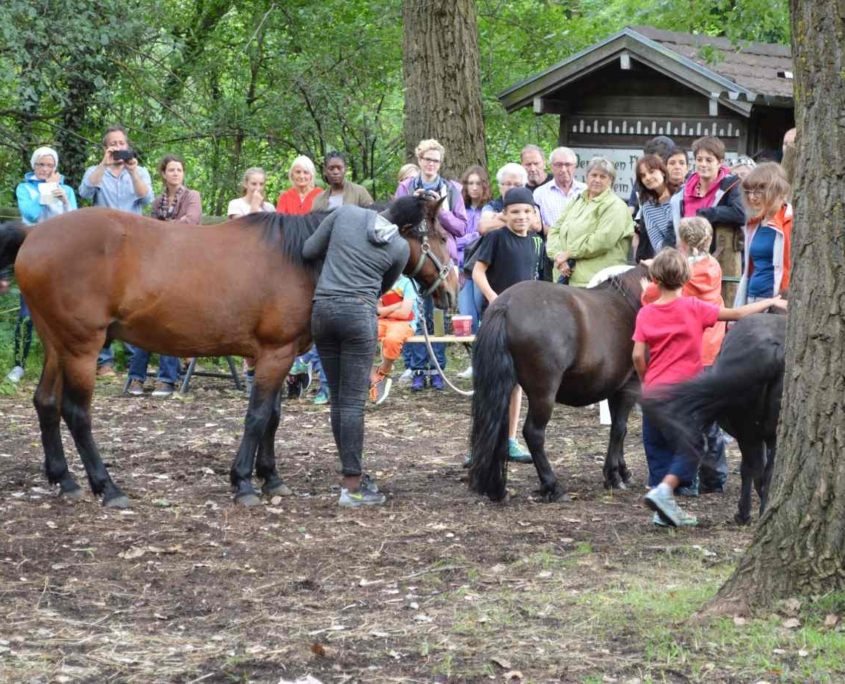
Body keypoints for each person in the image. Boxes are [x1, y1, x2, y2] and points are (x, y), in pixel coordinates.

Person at [634, 248, 786, 527]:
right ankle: (666, 490)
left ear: (654, 278)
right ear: (686, 278)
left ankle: (662, 509)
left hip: (652, 392)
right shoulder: (694, 308)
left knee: (656, 449)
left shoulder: (645, 313)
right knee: (692, 448)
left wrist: (645, 380)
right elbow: (737, 313)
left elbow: (636, 356)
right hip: (685, 394)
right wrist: (771, 301)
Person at [302, 196, 427, 507]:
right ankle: (353, 487)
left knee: (338, 398)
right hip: (358, 317)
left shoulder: (345, 214)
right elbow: (381, 288)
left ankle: (350, 476)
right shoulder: (399, 247)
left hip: (322, 311)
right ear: (407, 226)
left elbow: (308, 251)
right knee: (353, 402)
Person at [641, 217, 729, 495]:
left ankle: (677, 479)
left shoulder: (686, 276)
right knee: (707, 418)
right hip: (711, 348)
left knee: (680, 421)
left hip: (689, 354)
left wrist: (650, 279)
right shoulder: (712, 266)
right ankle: (713, 477)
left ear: (682, 242)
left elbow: (656, 294)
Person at [472, 187, 544, 463]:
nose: (522, 217)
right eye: (515, 212)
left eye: (527, 211)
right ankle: (480, 443)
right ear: (504, 214)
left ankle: (510, 441)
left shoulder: (536, 242)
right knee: (490, 382)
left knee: (516, 383)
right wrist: (494, 298)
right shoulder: (495, 238)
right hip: (496, 318)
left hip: (523, 323)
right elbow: (478, 271)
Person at [79, 125, 154, 377]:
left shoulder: (140, 171)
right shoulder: (96, 171)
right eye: (113, 143)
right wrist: (104, 163)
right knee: (102, 300)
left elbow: (147, 199)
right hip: (104, 244)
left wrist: (133, 172)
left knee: (133, 299)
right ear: (106, 147)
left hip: (134, 243)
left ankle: (136, 359)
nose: (119, 148)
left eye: (122, 143)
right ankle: (104, 361)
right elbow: (85, 192)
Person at [126, 155, 202, 397]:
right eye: (171, 170)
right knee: (144, 317)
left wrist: (163, 229)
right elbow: (149, 230)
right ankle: (136, 377)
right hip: (159, 263)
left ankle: (166, 379)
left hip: (186, 263)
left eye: (179, 169)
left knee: (170, 317)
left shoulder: (192, 196)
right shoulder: (158, 201)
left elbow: (191, 221)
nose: (176, 173)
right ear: (163, 173)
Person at [395, 139, 467, 391]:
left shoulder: (452, 188)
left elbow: (462, 227)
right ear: (419, 159)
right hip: (414, 261)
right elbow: (396, 223)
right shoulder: (406, 186)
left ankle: (437, 369)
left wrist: (441, 210)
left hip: (442, 260)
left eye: (435, 160)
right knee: (414, 315)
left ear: (440, 163)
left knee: (438, 315)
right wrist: (411, 206)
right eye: (427, 159)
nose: (431, 164)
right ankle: (416, 369)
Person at [5, 147, 77, 383]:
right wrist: (47, 191)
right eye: (41, 165)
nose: (45, 170)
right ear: (34, 166)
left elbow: (75, 221)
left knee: (64, 311)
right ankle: (19, 364)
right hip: (34, 252)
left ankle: (61, 361)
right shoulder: (25, 188)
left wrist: (65, 200)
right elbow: (32, 213)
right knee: (27, 312)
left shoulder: (65, 189)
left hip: (62, 254)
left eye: (49, 165)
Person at [275, 156, 329, 404]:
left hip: (315, 258)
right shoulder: (285, 197)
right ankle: (295, 374)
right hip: (289, 259)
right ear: (292, 175)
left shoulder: (320, 195)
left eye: (306, 173)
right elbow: (279, 226)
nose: (302, 177)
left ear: (312, 175)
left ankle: (318, 376)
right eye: (297, 173)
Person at [670, 136, 745, 303]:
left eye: (709, 160)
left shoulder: (731, 185)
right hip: (686, 260)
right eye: (699, 159)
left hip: (718, 263)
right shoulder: (684, 190)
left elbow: (740, 214)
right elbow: (674, 225)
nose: (703, 164)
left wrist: (707, 213)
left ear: (720, 162)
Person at [546, 157, 634, 286]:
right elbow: (555, 230)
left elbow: (602, 241)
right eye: (593, 175)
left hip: (596, 283)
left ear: (611, 181)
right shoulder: (577, 201)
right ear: (586, 177)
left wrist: (569, 254)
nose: (597, 180)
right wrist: (559, 256)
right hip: (565, 277)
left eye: (603, 177)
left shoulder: (616, 206)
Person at [734, 163, 793, 306]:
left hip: (778, 302)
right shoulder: (754, 224)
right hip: (752, 297)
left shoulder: (790, 222)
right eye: (749, 192)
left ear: (777, 190)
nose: (752, 197)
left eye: (758, 192)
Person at [369, 275, 418, 405]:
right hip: (382, 322)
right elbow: (377, 311)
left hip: (404, 323)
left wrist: (384, 312)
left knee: (392, 339)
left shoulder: (407, 283)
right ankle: (370, 372)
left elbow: (404, 313)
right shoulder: (380, 282)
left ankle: (383, 372)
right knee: (363, 334)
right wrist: (396, 305)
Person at [533, 146, 586, 235]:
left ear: (575, 167)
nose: (563, 169)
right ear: (551, 167)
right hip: (551, 247)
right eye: (559, 165)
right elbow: (537, 225)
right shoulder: (539, 194)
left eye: (568, 165)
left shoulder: (586, 191)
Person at [478, 163, 542, 235]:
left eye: (517, 185)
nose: (512, 188)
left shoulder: (531, 205)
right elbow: (483, 228)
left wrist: (501, 217)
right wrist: (522, 221)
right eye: (508, 184)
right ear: (500, 187)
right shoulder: (491, 206)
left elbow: (536, 226)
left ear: (523, 187)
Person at [634, 154, 675, 262]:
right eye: (643, 175)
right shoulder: (647, 208)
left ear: (662, 171)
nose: (647, 177)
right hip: (670, 260)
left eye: (651, 171)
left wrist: (667, 203)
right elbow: (657, 244)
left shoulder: (681, 193)